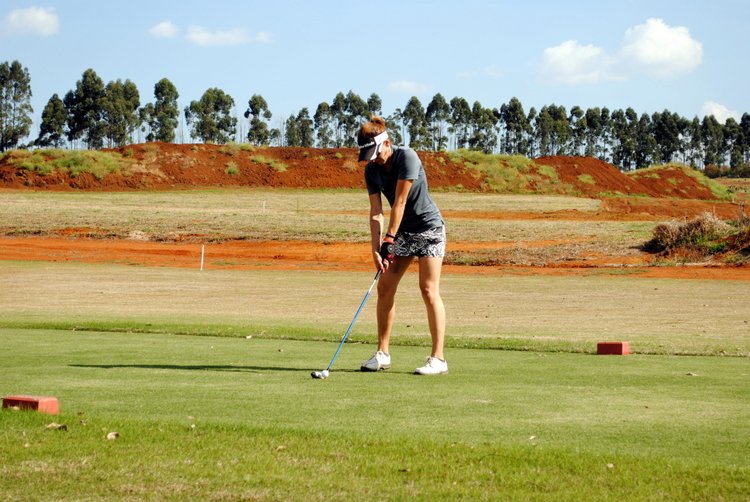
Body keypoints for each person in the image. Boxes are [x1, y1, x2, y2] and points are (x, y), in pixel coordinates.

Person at [356, 116, 448, 375]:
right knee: (385, 287)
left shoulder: (407, 157)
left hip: (429, 229)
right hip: (402, 232)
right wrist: (376, 248)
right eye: (369, 156)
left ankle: (438, 358)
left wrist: (389, 239)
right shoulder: (371, 170)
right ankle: (382, 354)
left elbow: (400, 202)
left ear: (386, 143)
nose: (374, 159)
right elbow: (376, 212)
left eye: (375, 153)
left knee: (428, 289)